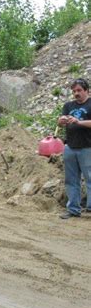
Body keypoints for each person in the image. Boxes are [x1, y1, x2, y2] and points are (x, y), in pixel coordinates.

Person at [57, 78, 91, 219]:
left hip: (87, 147)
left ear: (87, 91)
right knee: (71, 180)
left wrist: (78, 121)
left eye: (79, 90)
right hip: (70, 147)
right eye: (74, 91)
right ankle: (73, 209)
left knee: (90, 179)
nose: (76, 93)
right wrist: (61, 121)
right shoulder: (68, 105)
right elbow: (59, 123)